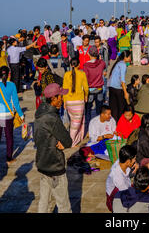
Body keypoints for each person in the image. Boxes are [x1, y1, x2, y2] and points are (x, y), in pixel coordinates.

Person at [34, 83, 72, 213]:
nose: (62, 99)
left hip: (42, 163)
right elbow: (68, 141)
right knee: (64, 206)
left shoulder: (39, 114)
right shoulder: (52, 118)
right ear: (53, 99)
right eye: (60, 96)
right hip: (55, 165)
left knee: (43, 202)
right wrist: (63, 142)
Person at [0, 66, 24, 165]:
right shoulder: (12, 85)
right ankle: (9, 158)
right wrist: (21, 115)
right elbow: (16, 103)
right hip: (8, 115)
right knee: (9, 137)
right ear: (9, 74)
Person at [63, 58, 89, 147]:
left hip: (69, 102)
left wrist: (64, 102)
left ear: (71, 65)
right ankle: (72, 141)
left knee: (73, 122)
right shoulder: (82, 74)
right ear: (78, 65)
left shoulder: (66, 74)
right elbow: (86, 88)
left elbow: (64, 90)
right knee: (76, 124)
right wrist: (86, 96)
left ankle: (74, 139)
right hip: (79, 102)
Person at [106, 144, 138, 211]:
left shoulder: (122, 161)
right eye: (134, 159)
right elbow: (126, 193)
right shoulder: (117, 176)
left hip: (124, 188)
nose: (135, 161)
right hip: (115, 198)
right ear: (128, 161)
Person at [83, 45, 106, 128]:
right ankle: (99, 125)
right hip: (99, 89)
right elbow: (104, 66)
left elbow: (85, 79)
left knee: (88, 109)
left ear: (89, 54)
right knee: (99, 109)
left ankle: (89, 126)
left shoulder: (85, 66)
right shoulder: (102, 63)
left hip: (90, 90)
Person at [108, 50, 131, 123]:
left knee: (113, 107)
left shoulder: (118, 63)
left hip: (111, 86)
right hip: (117, 88)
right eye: (130, 57)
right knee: (121, 107)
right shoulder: (123, 65)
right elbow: (122, 80)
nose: (130, 58)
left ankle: (114, 123)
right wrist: (125, 93)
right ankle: (120, 123)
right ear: (125, 57)